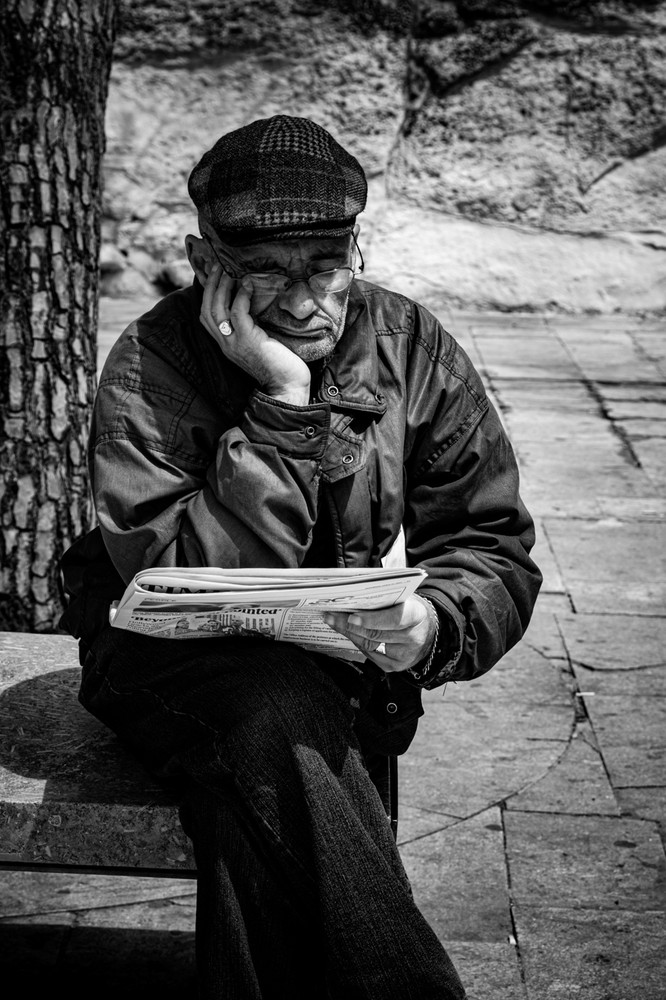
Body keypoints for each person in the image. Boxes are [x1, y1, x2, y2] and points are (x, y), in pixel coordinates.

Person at [59, 114, 542, 999]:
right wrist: (283, 405)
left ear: (356, 250)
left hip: (344, 668)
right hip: (162, 661)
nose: (301, 301)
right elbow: (169, 569)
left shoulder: (410, 347)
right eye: (264, 275)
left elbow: (491, 541)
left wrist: (433, 624)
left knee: (273, 778)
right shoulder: (152, 362)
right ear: (206, 264)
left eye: (324, 267)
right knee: (274, 707)